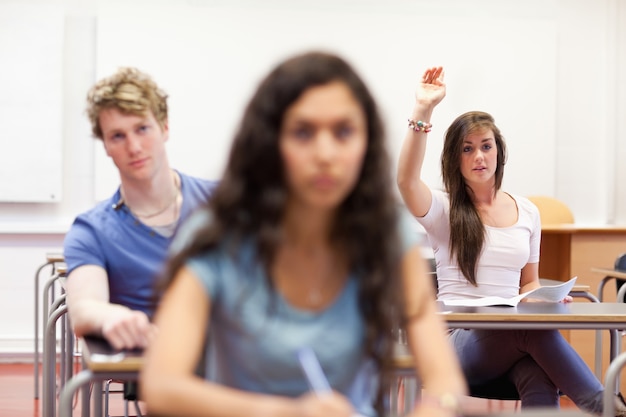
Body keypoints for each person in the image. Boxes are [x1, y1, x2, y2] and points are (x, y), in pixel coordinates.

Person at [139, 52, 467, 417]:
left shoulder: (384, 234)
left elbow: (444, 379)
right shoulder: (217, 238)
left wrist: (438, 407)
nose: (325, 153)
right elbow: (161, 386)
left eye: (344, 132)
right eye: (303, 132)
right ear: (270, 142)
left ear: (365, 144)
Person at [396, 66, 626, 416]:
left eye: (486, 147)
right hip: (457, 342)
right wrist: (422, 109)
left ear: (498, 152)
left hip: (513, 337)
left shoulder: (528, 211)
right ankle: (605, 407)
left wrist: (544, 298)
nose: (479, 157)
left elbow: (528, 283)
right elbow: (406, 180)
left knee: (539, 373)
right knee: (530, 331)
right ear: (455, 160)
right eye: (467, 149)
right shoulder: (444, 210)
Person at [64, 67, 217, 350]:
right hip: (159, 363)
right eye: (118, 136)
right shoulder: (92, 230)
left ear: (165, 128)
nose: (134, 147)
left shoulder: (221, 203)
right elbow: (85, 308)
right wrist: (113, 316)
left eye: (142, 129)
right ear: (106, 146)